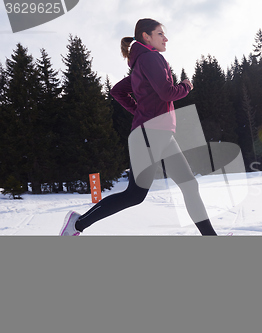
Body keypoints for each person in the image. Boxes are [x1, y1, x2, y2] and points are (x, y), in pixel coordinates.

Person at [60, 18, 217, 236]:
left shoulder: (139, 64)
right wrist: (186, 86)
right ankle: (77, 224)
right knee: (135, 195)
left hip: (159, 134)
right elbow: (167, 93)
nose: (166, 38)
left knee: (189, 185)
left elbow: (117, 91)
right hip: (150, 134)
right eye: (160, 34)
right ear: (146, 36)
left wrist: (141, 113)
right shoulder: (152, 58)